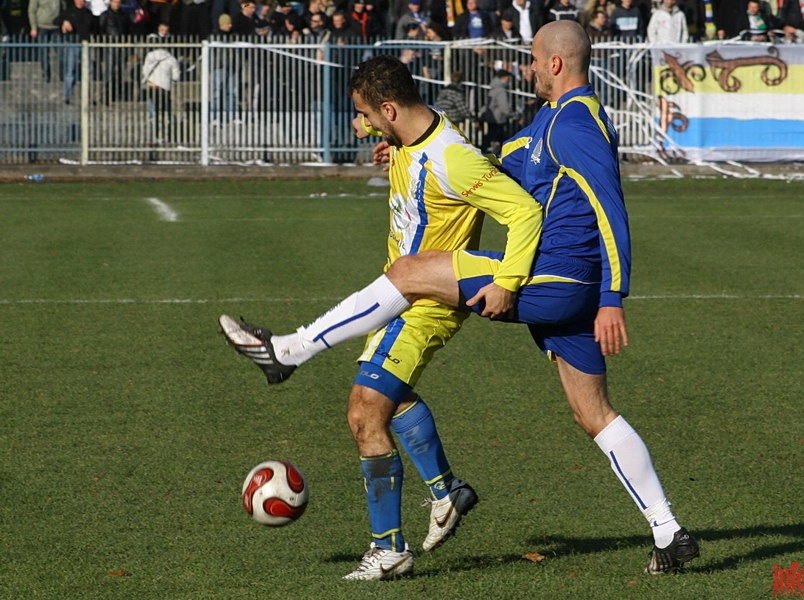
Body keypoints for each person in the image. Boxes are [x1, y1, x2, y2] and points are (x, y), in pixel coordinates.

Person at [220, 20, 700, 576]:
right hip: (561, 286)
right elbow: (496, 172)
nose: (526, 67)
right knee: (593, 413)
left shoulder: (579, 123)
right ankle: (670, 533)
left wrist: (613, 297)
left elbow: (611, 209)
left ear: (554, 64)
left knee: (409, 270)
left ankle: (289, 351)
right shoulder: (548, 122)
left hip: (558, 279)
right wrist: (402, 153)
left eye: (532, 59)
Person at [221, 54, 544, 580]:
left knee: (363, 410)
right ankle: (447, 491)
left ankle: (389, 547)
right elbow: (424, 148)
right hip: (400, 295)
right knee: (387, 400)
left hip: (427, 303)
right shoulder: (414, 136)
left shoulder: (452, 157)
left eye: (367, 115)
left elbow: (523, 210)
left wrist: (506, 283)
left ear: (390, 108)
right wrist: (393, 143)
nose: (361, 123)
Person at [142, 26, 180, 146]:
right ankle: (164, 136)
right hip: (164, 88)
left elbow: (144, 71)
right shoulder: (171, 59)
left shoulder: (149, 56)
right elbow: (176, 77)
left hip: (152, 86)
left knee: (152, 112)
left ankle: (152, 135)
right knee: (164, 112)